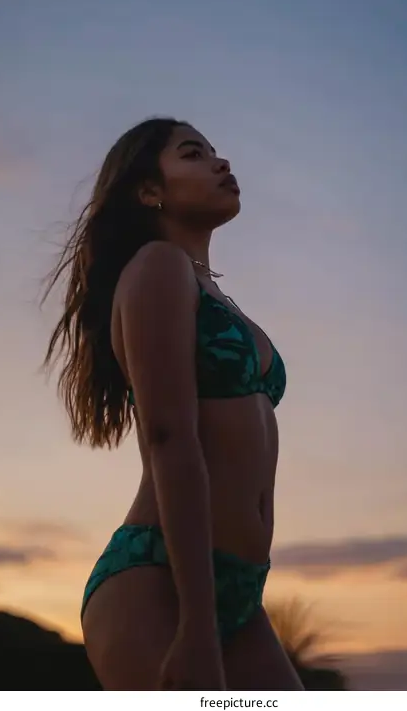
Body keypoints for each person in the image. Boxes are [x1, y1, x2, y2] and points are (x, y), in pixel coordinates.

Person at [42, 117, 303, 691]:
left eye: (216, 151)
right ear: (149, 190)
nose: (220, 162)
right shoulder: (158, 266)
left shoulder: (215, 294)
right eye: (193, 154)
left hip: (236, 589)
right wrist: (198, 626)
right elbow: (168, 439)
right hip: (162, 580)